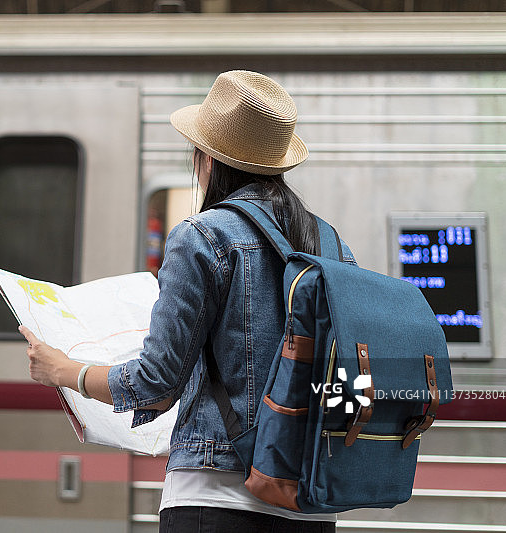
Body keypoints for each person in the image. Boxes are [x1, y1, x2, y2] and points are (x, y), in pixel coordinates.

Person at [19, 71, 351, 532]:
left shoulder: (203, 237)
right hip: (310, 503)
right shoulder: (330, 244)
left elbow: (156, 383)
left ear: (208, 158)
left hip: (215, 500)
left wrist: (63, 370)